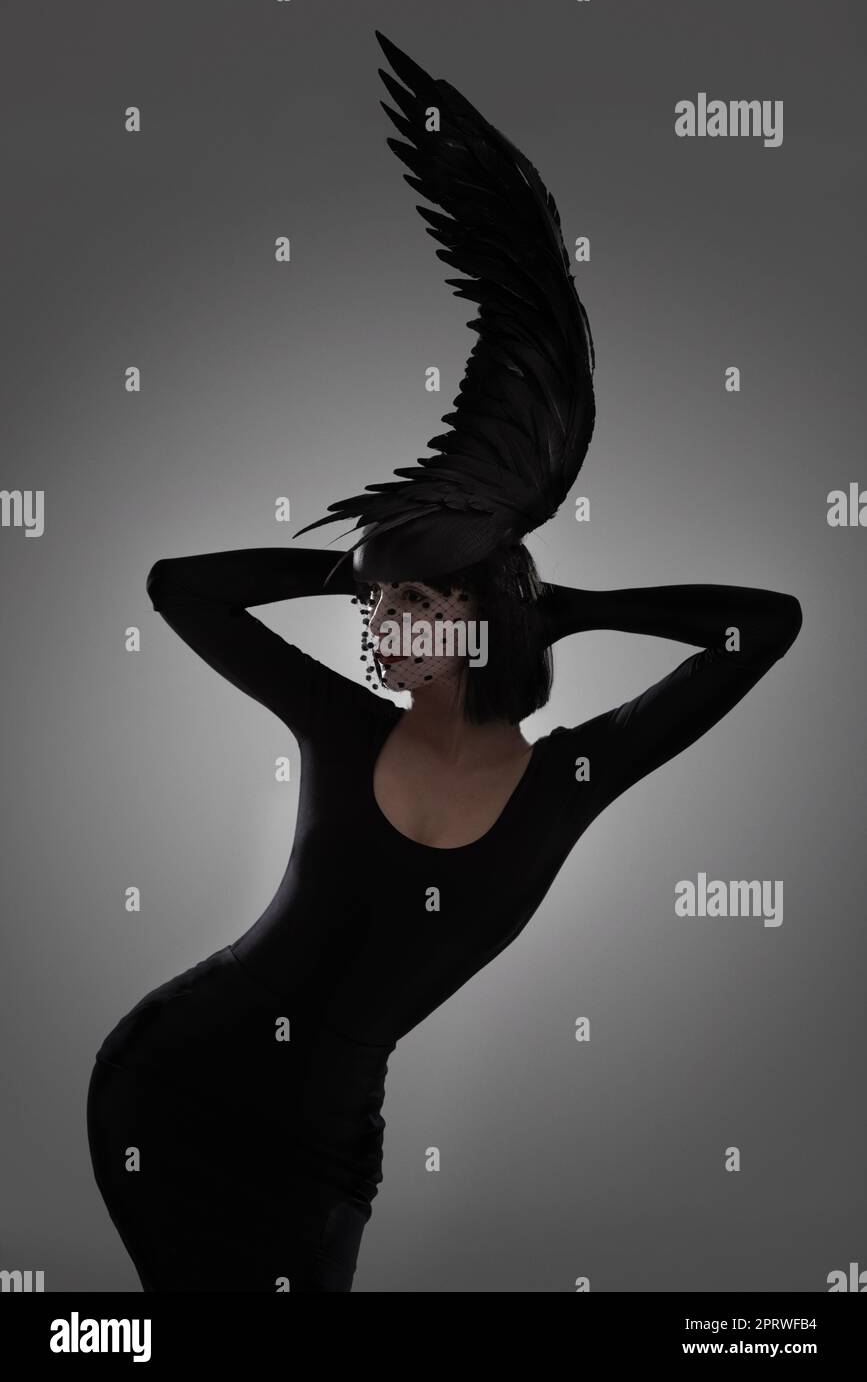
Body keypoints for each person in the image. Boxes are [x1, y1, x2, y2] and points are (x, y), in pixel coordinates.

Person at [86, 541, 801, 1291]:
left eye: (418, 603)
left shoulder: (573, 778)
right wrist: (373, 567)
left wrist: (560, 608)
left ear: (487, 622)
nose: (384, 622)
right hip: (177, 1080)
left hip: (327, 1139)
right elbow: (180, 589)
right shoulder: (338, 721)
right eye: (378, 603)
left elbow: (765, 626)